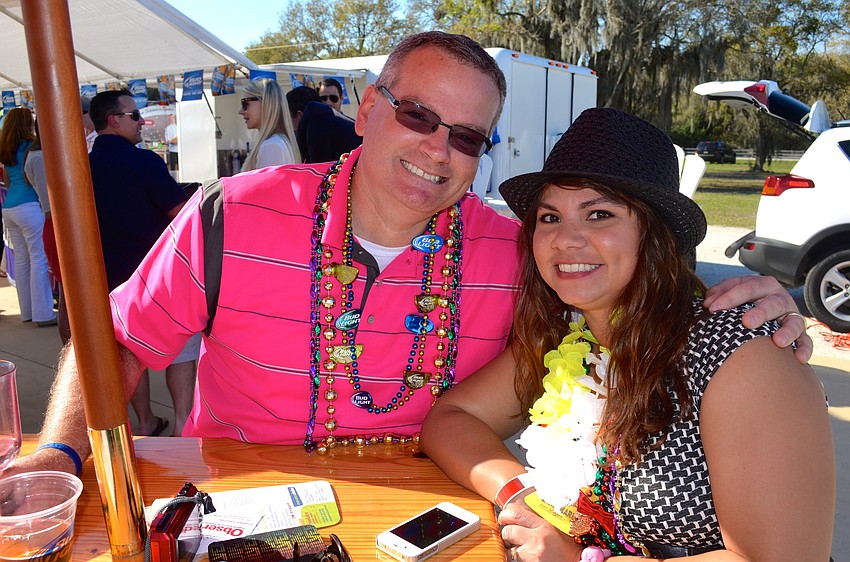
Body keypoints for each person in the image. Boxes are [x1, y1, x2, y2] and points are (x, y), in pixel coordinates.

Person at [10, 32, 808, 477]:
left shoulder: (515, 249)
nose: (439, 149)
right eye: (419, 115)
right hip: (237, 493)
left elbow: (611, 270)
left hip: (427, 514)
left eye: (467, 136)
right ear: (366, 108)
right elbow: (120, 343)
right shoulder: (234, 213)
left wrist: (744, 292)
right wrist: (57, 451)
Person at [420, 108, 834, 561]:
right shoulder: (572, 338)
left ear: (656, 235)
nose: (565, 239)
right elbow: (452, 418)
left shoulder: (740, 351)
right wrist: (524, 499)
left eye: (599, 213)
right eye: (550, 217)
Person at [87, 89, 197, 437]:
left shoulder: (83, 165)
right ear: (114, 120)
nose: (141, 122)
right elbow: (180, 215)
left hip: (107, 277)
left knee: (128, 354)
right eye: (135, 116)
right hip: (155, 277)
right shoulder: (144, 161)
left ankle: (145, 421)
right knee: (181, 349)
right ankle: (181, 424)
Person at [0, 107, 56, 327]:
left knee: (22, 260)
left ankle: (28, 312)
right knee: (38, 259)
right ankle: (43, 313)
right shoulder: (31, 147)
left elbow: (8, 181)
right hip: (30, 206)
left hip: (9, 207)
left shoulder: (6, 148)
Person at [24, 123, 71, 343]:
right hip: (60, 228)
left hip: (60, 227)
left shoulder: (40, 155)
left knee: (68, 295)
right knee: (68, 296)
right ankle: (73, 353)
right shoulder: (41, 157)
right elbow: (51, 208)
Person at [286, 86, 362, 163]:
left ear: (300, 114)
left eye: (289, 117)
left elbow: (318, 167)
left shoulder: (317, 125)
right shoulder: (331, 121)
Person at [238, 78, 300, 171]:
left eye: (245, 103)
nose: (241, 111)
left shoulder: (271, 146)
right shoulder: (279, 142)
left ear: (266, 103)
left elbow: (267, 186)